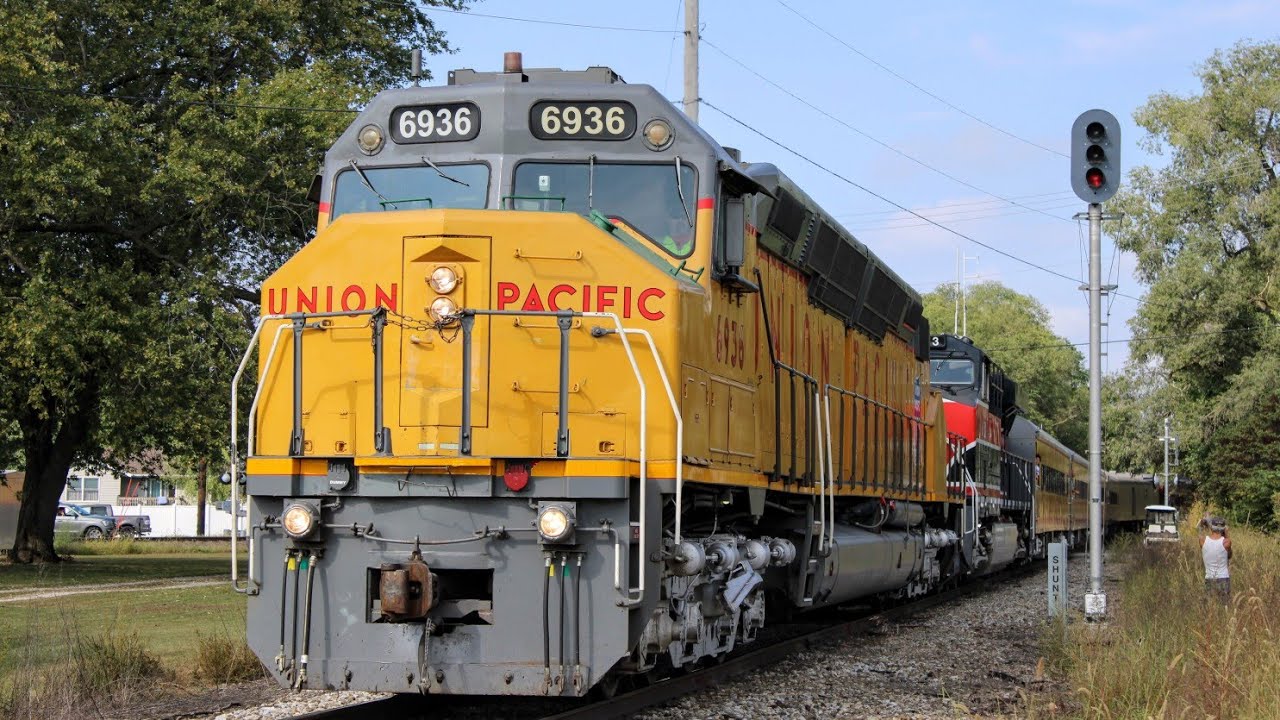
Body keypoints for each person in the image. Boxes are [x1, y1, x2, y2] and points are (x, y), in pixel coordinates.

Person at [1199, 516, 1232, 601]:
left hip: (1209, 578)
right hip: (1223, 578)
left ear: (1211, 528)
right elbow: (1230, 555)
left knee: (1210, 607)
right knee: (1225, 607)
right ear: (1224, 529)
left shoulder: (1202, 540)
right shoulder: (1227, 542)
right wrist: (1226, 533)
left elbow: (1200, 531)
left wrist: (1202, 524)